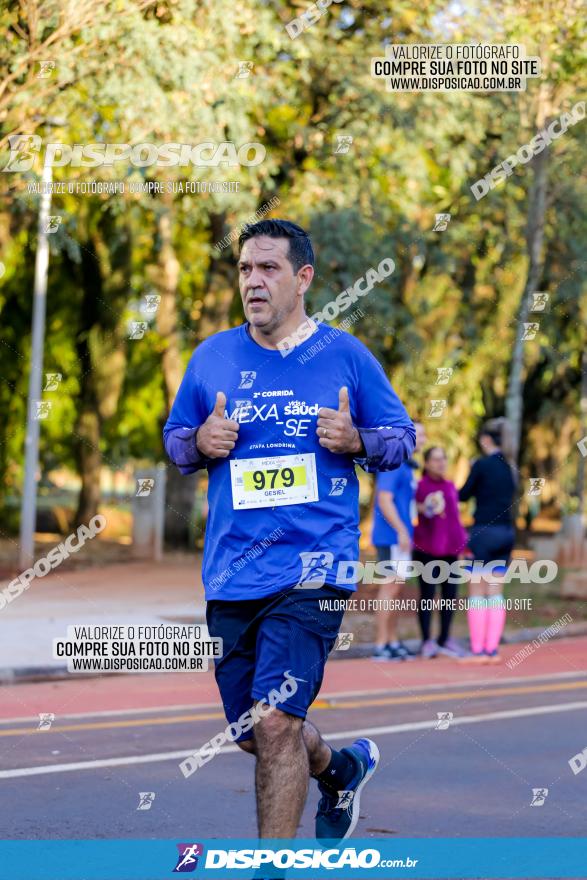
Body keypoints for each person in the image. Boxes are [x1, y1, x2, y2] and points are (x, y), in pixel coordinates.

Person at [163, 219, 415, 846]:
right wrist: (198, 441)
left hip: (314, 567)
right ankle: (340, 769)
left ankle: (274, 865)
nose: (253, 281)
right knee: (253, 727)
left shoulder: (345, 355)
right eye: (246, 268)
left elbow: (402, 438)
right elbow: (176, 440)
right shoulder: (211, 356)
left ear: (302, 279)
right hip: (232, 571)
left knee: (275, 721)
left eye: (268, 268)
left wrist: (357, 439)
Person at [458, 418, 517, 663]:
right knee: (495, 592)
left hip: (483, 532)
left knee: (476, 591)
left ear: (485, 440)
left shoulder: (481, 465)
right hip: (506, 533)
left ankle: (477, 650)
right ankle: (492, 650)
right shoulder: (511, 468)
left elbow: (463, 495)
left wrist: (472, 468)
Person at [371, 422, 426, 660]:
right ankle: (381, 644)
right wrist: (402, 530)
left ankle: (392, 641)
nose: (422, 439)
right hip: (391, 537)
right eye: (418, 434)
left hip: (401, 537)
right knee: (389, 588)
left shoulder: (407, 465)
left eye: (423, 435)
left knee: (397, 590)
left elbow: (404, 503)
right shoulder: (392, 462)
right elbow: (384, 499)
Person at [413, 446, 468, 658]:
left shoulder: (450, 486)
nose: (440, 463)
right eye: (435, 459)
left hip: (451, 551)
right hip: (426, 550)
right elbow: (413, 510)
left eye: (443, 459)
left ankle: (445, 638)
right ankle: (427, 641)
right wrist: (423, 506)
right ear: (426, 463)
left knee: (450, 597)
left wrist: (463, 546)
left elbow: (455, 520)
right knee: (427, 596)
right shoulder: (419, 486)